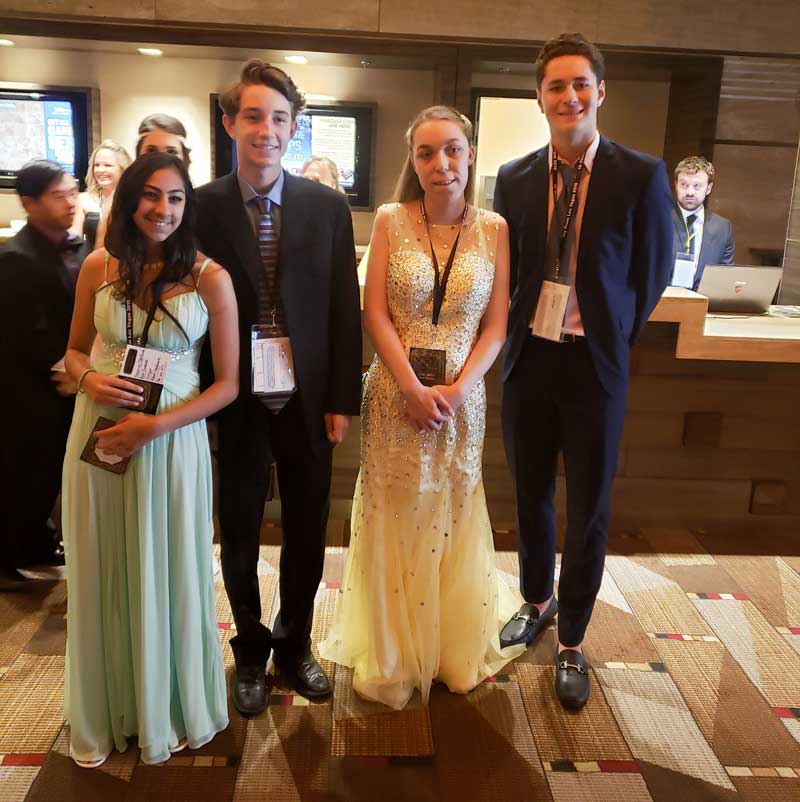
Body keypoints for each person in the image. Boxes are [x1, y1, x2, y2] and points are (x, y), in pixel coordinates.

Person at [320, 106, 524, 709]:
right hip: (394, 391)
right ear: (414, 160)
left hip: (465, 395)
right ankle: (392, 648)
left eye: (453, 150)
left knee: (452, 506)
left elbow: (497, 325)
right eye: (428, 153)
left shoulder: (495, 229)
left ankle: (448, 646)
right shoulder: (389, 220)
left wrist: (459, 389)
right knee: (397, 505)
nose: (442, 164)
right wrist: (410, 384)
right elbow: (374, 312)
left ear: (470, 154)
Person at [494, 33, 673, 710]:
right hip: (528, 358)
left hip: (595, 365)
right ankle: (535, 601)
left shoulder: (640, 174)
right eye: (554, 86)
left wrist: (610, 338)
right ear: (539, 98)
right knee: (531, 493)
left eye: (579, 84)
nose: (568, 97)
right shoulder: (513, 177)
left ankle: (572, 638)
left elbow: (650, 273)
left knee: (589, 507)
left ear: (600, 91)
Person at [61, 152, 238, 766]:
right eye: (153, 196)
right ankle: (112, 707)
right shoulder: (95, 267)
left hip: (171, 439)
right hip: (101, 434)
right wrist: (88, 382)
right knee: (106, 564)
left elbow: (227, 385)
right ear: (130, 199)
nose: (164, 210)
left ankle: (170, 706)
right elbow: (76, 353)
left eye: (177, 199)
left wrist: (154, 426)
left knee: (169, 567)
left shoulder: (209, 277)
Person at [196, 60, 362, 714]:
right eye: (254, 116)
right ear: (231, 122)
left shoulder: (325, 207)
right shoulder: (201, 206)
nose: (266, 130)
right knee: (237, 526)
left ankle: (295, 644)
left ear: (294, 128)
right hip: (232, 396)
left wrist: (342, 398)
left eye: (279, 119)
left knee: (305, 524)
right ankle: (252, 648)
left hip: (308, 395)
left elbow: (343, 309)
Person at [0, 159, 86, 589]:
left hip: (64, 384)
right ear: (29, 203)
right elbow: (24, 334)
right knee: (26, 473)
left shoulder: (76, 247)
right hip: (28, 389)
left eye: (73, 192)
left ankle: (35, 541)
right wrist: (70, 367)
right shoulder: (16, 258)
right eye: (59, 195)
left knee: (50, 470)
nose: (70, 202)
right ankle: (7, 557)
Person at [93, 115, 192, 251]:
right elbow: (103, 257)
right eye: (151, 151)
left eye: (171, 152)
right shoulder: (118, 202)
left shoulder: (199, 200)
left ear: (184, 158)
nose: (161, 159)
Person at [669, 156, 735, 291]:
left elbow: (725, 276)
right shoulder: (656, 220)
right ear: (675, 185)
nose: (690, 192)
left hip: (704, 305)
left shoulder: (722, 228)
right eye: (683, 185)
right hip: (660, 304)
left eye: (697, 186)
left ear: (709, 188)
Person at [72, 140, 131, 250]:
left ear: (122, 169)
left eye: (107, 165)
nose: (100, 170)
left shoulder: (133, 200)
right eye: (96, 165)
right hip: (90, 262)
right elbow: (75, 237)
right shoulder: (83, 199)